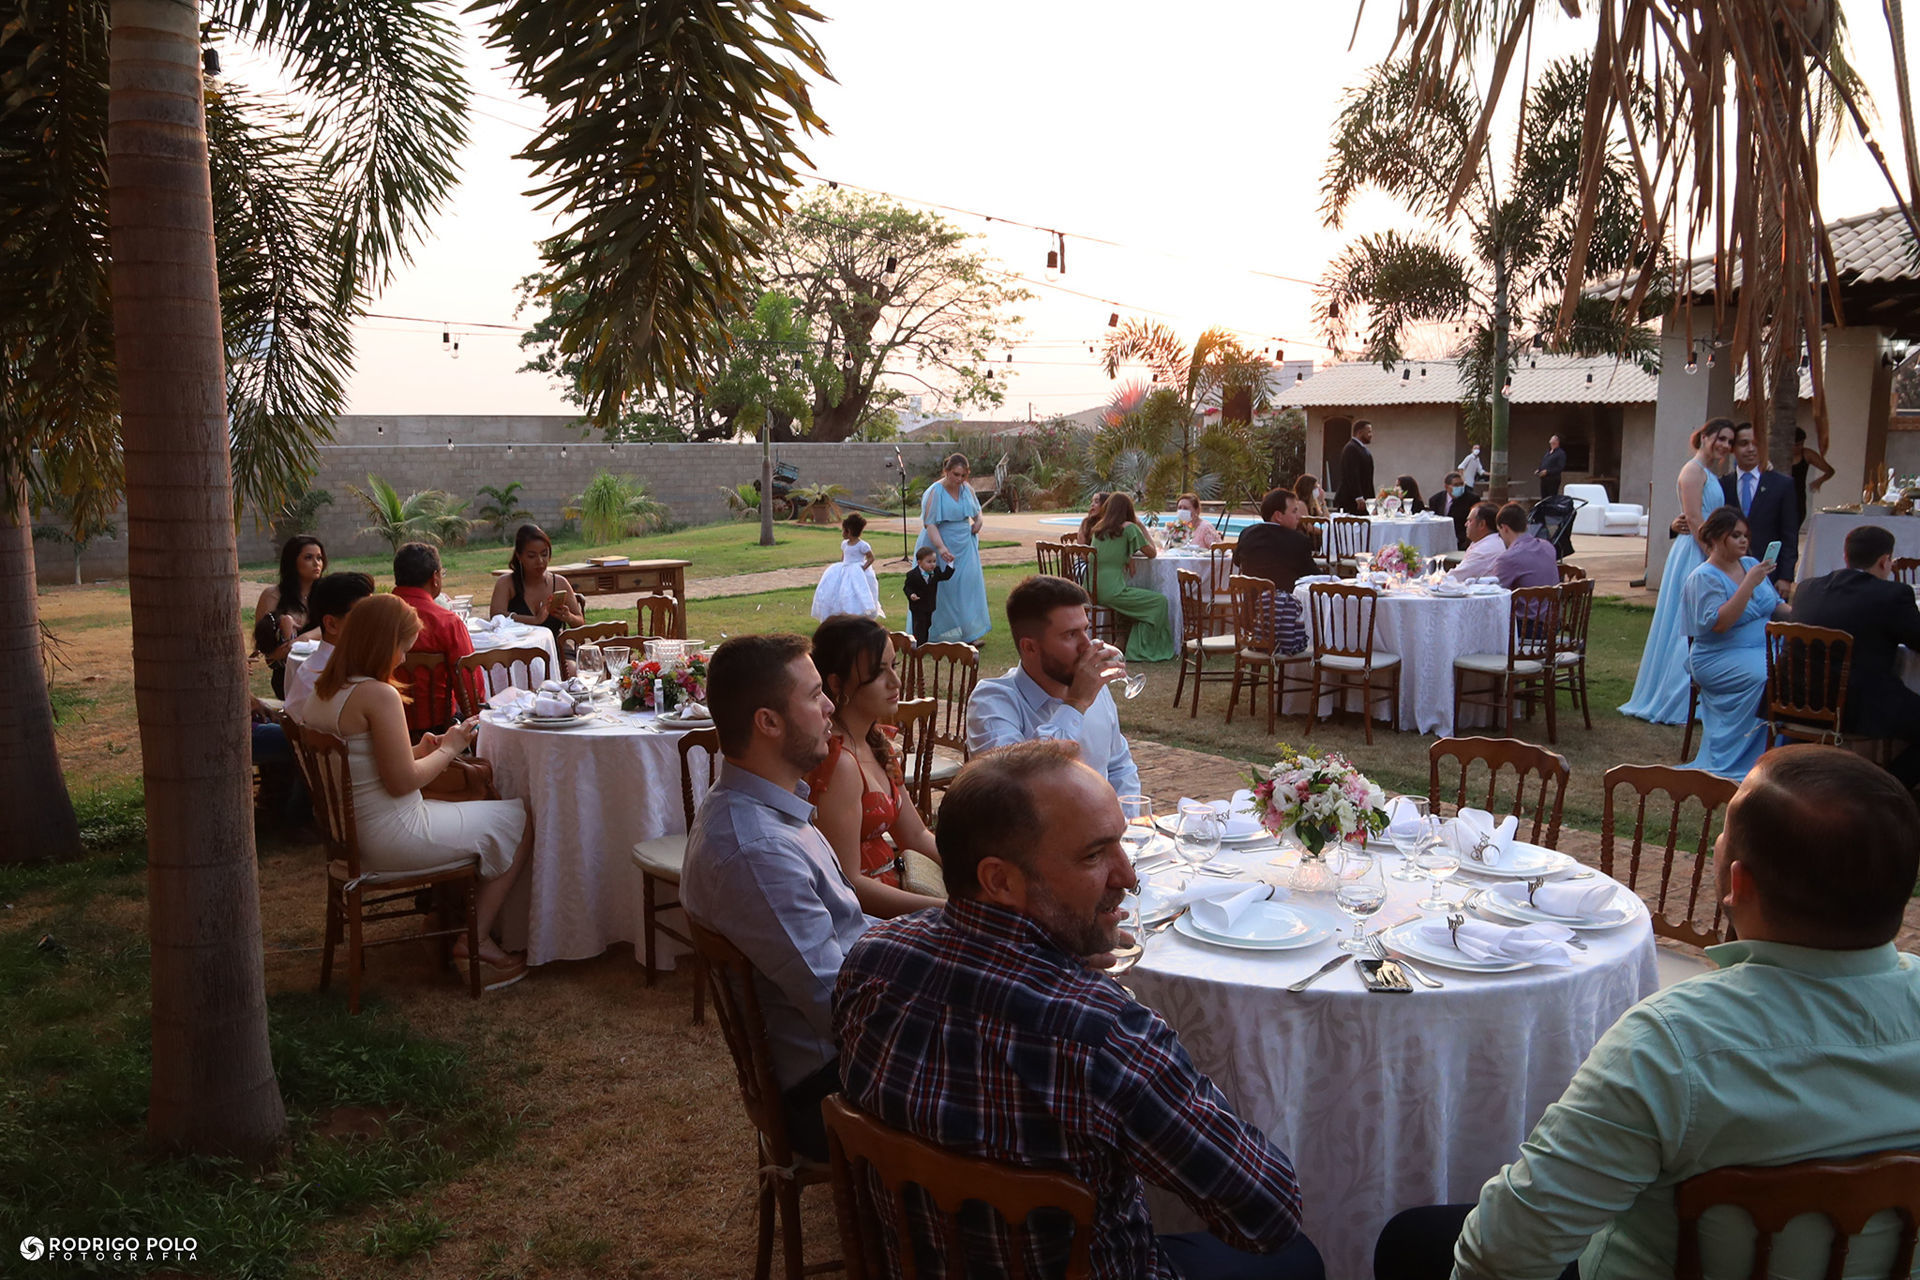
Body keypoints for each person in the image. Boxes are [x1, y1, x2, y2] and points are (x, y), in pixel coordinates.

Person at [1374, 745, 1920, 1280]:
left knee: (1411, 1238)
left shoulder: (1672, 1045)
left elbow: (1501, 1256)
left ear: (1738, 885)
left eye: (1723, 837)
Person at [834, 740, 1322, 1280]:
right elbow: (1267, 1215)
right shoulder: (1103, 1036)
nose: (1128, 875)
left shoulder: (869, 963)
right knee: (1299, 1258)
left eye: (1120, 844)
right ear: (999, 880)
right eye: (1094, 855)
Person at [679, 633, 870, 1161]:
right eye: (814, 695)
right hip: (826, 1091)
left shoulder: (768, 810)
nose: (831, 704)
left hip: (841, 1052)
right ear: (768, 722)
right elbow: (843, 1013)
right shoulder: (758, 852)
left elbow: (847, 928)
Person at [301, 594, 532, 990]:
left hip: (353, 839)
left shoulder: (322, 692)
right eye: (402, 648)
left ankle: (446, 920)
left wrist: (418, 751)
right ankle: (473, 941)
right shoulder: (378, 695)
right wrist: (450, 748)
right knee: (519, 818)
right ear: (381, 644)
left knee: (476, 806)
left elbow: (362, 763)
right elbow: (402, 782)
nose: (404, 660)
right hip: (393, 835)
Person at [802, 616, 944, 918]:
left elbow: (915, 836)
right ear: (837, 683)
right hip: (864, 920)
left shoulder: (877, 742)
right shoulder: (838, 763)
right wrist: (948, 910)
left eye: (894, 666)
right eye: (879, 673)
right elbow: (848, 883)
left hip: (896, 898)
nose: (895, 682)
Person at [966, 575, 1142, 797]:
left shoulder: (1096, 689)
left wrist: (1130, 823)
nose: (1087, 646)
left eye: (1085, 630)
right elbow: (1015, 785)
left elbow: (1119, 766)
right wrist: (1076, 704)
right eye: (1070, 635)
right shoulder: (992, 701)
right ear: (1030, 647)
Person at [1619, 418, 1736, 724]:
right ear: (1705, 436)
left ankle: (1700, 694)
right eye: (1720, 438)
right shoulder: (1692, 471)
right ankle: (1677, 697)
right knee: (1686, 625)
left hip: (1707, 550)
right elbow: (1696, 521)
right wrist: (1716, 557)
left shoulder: (1710, 473)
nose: (1724, 445)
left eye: (1729, 441)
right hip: (1695, 554)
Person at [1787, 524, 1920, 786]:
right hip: (1853, 707)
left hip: (1796, 699)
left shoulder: (1807, 588)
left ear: (1846, 557)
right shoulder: (1892, 595)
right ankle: (1885, 788)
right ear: (1885, 562)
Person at [1683, 506, 1789, 779]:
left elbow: (1776, 606)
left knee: (1795, 670)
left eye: (1745, 535)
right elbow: (1720, 624)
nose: (1744, 541)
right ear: (1718, 539)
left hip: (1763, 647)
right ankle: (1749, 760)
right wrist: (1748, 585)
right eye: (1736, 535)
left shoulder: (1752, 565)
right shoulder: (1704, 577)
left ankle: (1783, 754)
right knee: (1767, 676)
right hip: (1719, 655)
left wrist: (1813, 612)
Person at [392, 541, 476, 736]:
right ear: (435, 578)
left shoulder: (373, 616)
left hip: (383, 728)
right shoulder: (448, 622)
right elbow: (469, 685)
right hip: (440, 730)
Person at [1089, 493, 1176, 662]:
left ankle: (1127, 642)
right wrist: (1142, 527)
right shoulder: (1129, 528)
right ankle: (1139, 649)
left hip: (1094, 590)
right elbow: (1152, 553)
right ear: (1129, 510)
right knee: (1159, 601)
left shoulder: (1099, 530)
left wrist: (1127, 556)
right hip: (1113, 591)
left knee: (1139, 599)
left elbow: (1110, 554)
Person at [283, 571, 378, 724]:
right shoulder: (341, 679)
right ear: (332, 624)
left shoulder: (311, 667)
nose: (373, 622)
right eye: (363, 616)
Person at [914, 453, 990, 643]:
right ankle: (931, 633)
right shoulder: (935, 492)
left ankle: (968, 634)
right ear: (946, 472)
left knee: (966, 586)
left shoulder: (966, 489)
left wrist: (979, 521)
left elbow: (977, 510)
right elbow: (929, 523)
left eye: (963, 475)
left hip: (965, 544)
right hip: (940, 541)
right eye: (956, 474)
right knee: (941, 588)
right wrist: (940, 548)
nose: (959, 479)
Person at [1719, 421, 1800, 588]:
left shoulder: (1782, 485)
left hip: (1769, 574)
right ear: (1733, 448)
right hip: (1729, 573)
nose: (1751, 449)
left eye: (1756, 444)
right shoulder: (1722, 485)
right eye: (1744, 444)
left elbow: (1790, 535)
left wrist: (1786, 577)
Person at [252, 535, 327, 698]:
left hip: (326, 674)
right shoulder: (272, 596)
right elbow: (269, 654)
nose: (317, 563)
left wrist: (304, 638)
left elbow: (343, 624)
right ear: (292, 561)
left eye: (319, 558)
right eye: (308, 557)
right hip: (288, 678)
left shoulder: (328, 593)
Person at [488, 523, 582, 640]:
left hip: (556, 650)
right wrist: (534, 620)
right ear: (519, 556)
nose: (540, 561)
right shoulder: (506, 583)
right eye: (532, 556)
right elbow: (496, 617)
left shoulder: (559, 583)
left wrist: (569, 617)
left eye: (544, 554)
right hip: (516, 650)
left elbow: (580, 624)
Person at [811, 512, 883, 621]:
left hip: (857, 570)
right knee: (841, 591)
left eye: (843, 530)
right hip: (845, 568)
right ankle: (840, 613)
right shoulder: (845, 544)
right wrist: (841, 568)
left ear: (848, 531)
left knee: (856, 591)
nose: (842, 533)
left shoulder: (862, 545)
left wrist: (863, 568)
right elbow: (844, 556)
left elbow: (871, 558)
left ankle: (858, 613)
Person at [1490, 502, 1559, 590]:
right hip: (1552, 602)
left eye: (1499, 531)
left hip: (1524, 603)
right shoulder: (1548, 547)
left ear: (1504, 528)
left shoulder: (1508, 558)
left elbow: (1493, 592)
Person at [901, 546, 955, 645]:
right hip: (917, 606)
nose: (932, 564)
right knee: (918, 626)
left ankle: (924, 643)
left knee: (927, 625)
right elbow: (907, 587)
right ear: (919, 562)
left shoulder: (936, 572)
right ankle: (918, 645)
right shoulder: (912, 575)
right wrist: (911, 594)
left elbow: (946, 576)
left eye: (934, 561)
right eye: (929, 562)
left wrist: (950, 564)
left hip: (929, 605)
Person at [1445, 502, 1505, 583]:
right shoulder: (1493, 541)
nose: (1466, 524)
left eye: (1470, 521)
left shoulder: (1483, 550)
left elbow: (1454, 578)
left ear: (1482, 524)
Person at [1332, 420, 1376, 516]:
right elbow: (1351, 474)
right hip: (1352, 501)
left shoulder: (1362, 449)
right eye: (1368, 432)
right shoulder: (1351, 448)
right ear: (1360, 432)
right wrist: (1358, 497)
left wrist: (1372, 500)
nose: (1371, 435)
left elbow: (1368, 478)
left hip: (1364, 501)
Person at [1792, 426, 1835, 520]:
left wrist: (1819, 481)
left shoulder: (1807, 454)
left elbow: (1829, 471)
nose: (1800, 447)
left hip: (1797, 498)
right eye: (1797, 445)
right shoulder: (1780, 455)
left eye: (1802, 444)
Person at [1428, 471, 1477, 550]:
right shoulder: (1436, 499)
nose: (1460, 487)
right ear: (1447, 487)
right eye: (1456, 485)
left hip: (1461, 539)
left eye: (1461, 484)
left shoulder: (1472, 499)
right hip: (1439, 538)